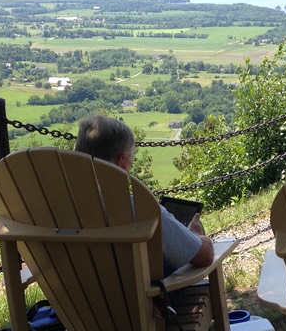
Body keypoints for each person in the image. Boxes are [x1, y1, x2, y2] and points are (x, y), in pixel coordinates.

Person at [74, 113, 214, 274]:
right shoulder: (139, 208)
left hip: (71, 298)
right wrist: (194, 234)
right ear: (122, 163)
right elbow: (205, 255)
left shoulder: (52, 208)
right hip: (138, 297)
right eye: (130, 160)